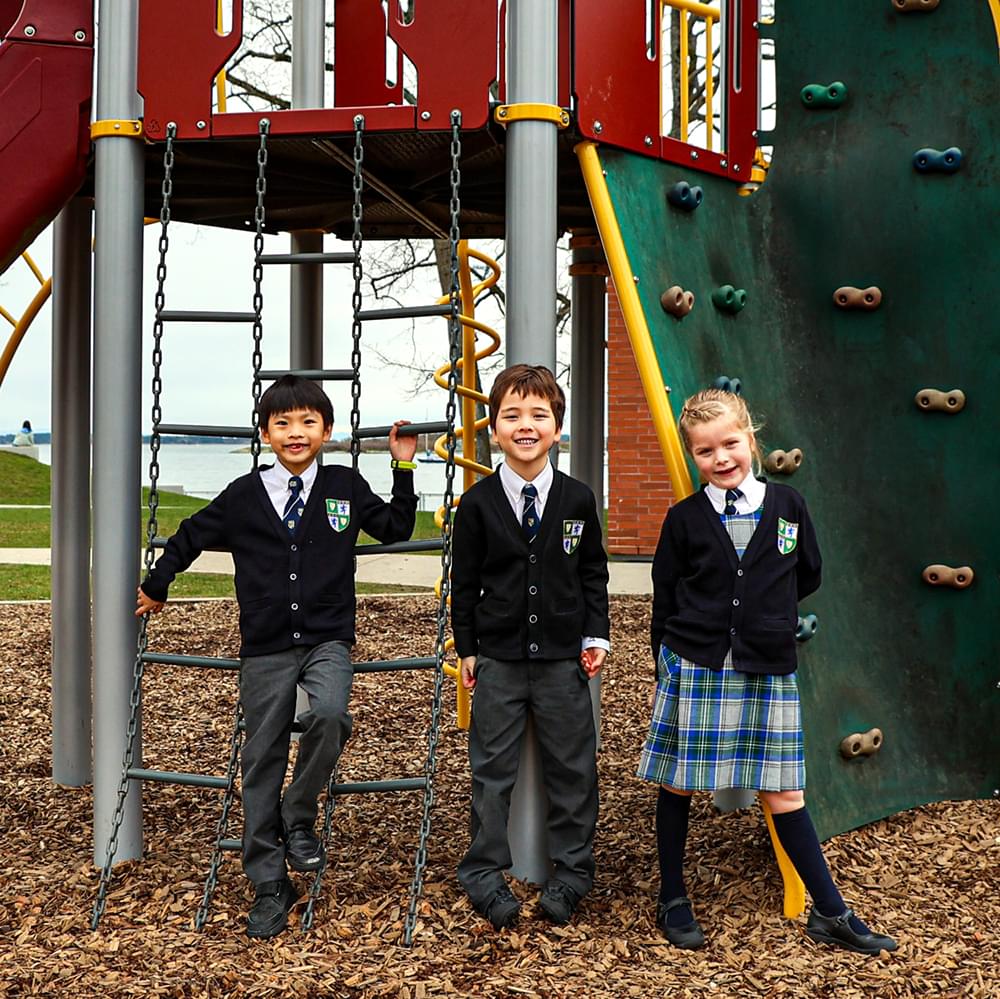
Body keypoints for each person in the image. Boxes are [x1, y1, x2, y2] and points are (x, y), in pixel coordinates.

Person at [135, 374, 417, 939]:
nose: (296, 432)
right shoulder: (244, 494)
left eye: (308, 422)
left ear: (327, 431)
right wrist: (158, 583)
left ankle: (299, 812)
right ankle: (268, 880)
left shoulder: (343, 485)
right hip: (265, 643)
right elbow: (190, 534)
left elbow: (395, 527)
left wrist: (403, 467)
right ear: (266, 433)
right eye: (283, 423)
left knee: (330, 714)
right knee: (261, 756)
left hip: (328, 637)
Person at [639, 388, 897, 955]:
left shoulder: (788, 506)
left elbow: (807, 573)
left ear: (750, 440)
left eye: (730, 443)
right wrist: (665, 663)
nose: (721, 458)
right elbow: (665, 593)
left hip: (766, 664)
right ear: (693, 456)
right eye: (705, 451)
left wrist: (766, 616)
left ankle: (830, 912)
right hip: (697, 664)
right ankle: (673, 896)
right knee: (679, 781)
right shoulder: (684, 519)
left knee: (784, 791)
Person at [451, 364, 610, 930]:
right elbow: (464, 583)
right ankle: (483, 872)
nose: (525, 425)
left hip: (564, 660)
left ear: (557, 428)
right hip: (498, 660)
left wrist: (596, 635)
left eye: (538, 415)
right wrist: (467, 647)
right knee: (490, 771)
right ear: (494, 429)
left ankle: (573, 873)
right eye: (512, 415)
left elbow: (592, 572)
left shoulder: (577, 499)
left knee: (574, 768)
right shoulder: (476, 504)